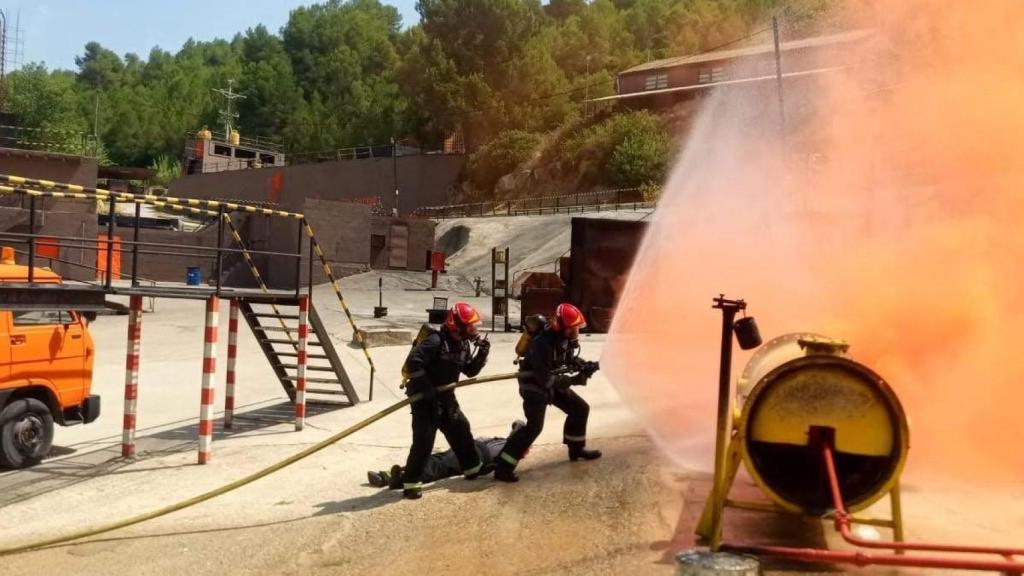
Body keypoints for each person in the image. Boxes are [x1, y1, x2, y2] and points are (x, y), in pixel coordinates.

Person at [495, 303, 601, 483]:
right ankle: (503, 468)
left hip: (551, 382)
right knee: (534, 427)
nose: (576, 332)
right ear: (561, 326)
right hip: (533, 386)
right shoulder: (541, 343)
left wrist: (585, 365)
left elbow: (567, 360)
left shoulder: (565, 339)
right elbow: (545, 380)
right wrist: (574, 380)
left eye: (577, 328)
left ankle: (576, 450)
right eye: (573, 329)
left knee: (580, 408)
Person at [399, 302, 491, 499]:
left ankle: (472, 467)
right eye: (471, 326)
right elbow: (414, 362)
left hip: (446, 397)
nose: (475, 330)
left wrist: (482, 355)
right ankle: (411, 483)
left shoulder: (462, 344)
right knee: (424, 441)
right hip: (424, 399)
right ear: (457, 326)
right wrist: (427, 389)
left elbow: (470, 371)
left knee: (461, 429)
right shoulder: (435, 341)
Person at [368, 421, 526, 490]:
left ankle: (397, 478)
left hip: (479, 455)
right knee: (436, 460)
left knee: (442, 465)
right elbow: (518, 426)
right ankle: (391, 475)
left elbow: (519, 427)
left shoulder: (508, 451)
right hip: (473, 447)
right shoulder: (503, 442)